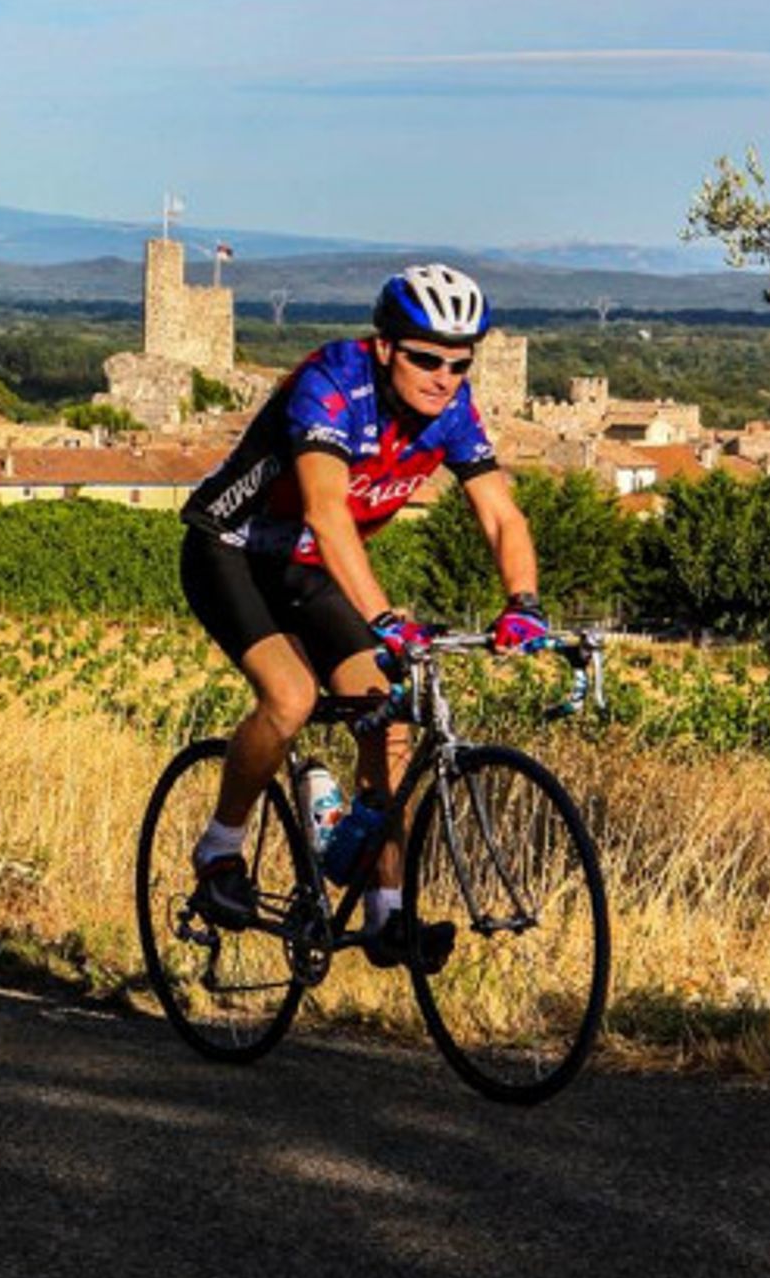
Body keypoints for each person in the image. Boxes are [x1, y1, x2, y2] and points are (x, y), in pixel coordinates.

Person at [177, 264, 548, 969]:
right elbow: (326, 511)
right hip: (231, 549)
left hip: (308, 567)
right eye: (426, 359)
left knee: (388, 714)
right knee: (291, 698)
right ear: (385, 348)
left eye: (460, 364)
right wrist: (382, 619)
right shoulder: (331, 383)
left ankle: (387, 913)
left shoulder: (454, 410)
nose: (443, 377)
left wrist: (523, 603)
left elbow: (501, 514)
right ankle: (220, 849)